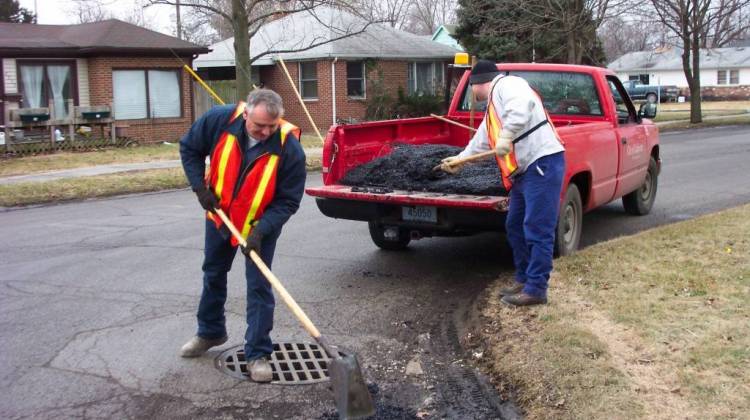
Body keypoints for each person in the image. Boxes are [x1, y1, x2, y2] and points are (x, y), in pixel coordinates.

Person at [179, 89, 306, 381]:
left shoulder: (289, 147)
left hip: (259, 226)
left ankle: (258, 353)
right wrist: (200, 188)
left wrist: (261, 231)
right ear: (246, 114)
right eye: (259, 126)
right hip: (220, 216)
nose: (265, 132)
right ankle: (210, 332)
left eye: (271, 126)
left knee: (260, 286)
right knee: (213, 273)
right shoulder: (219, 120)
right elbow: (189, 148)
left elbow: (288, 200)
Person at [440, 59, 565, 306]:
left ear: (477, 83)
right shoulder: (492, 108)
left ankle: (537, 288)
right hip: (523, 172)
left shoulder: (508, 84)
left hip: (542, 163)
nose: (471, 93)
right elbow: (483, 139)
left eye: (469, 87)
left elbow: (523, 106)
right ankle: (524, 278)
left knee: (537, 228)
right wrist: (461, 159)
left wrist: (507, 136)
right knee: (515, 225)